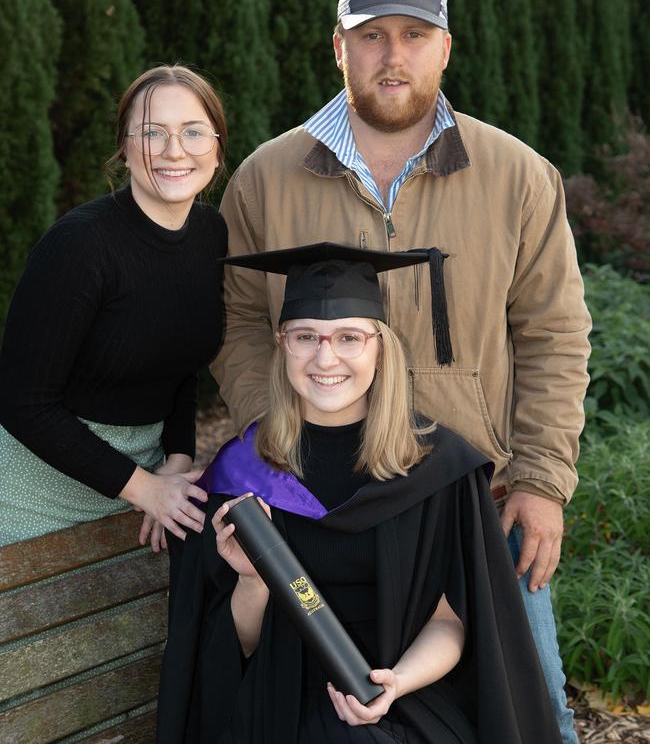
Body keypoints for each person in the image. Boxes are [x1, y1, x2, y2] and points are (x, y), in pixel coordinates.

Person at [212, 0, 592, 743]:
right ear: (338, 42)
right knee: (331, 719)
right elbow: (239, 325)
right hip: (322, 518)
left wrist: (543, 477)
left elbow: (555, 335)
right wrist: (276, 446)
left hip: (477, 510)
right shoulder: (265, 177)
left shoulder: (518, 177)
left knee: (535, 714)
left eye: (414, 34)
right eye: (373, 32)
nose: (394, 55)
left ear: (445, 46)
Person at [158, 243, 562, 743]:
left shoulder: (437, 468)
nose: (325, 358)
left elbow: (451, 623)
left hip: (409, 689)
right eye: (306, 337)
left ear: (380, 347)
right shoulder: (244, 473)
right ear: (282, 343)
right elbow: (231, 651)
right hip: (285, 694)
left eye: (349, 337)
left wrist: (396, 685)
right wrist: (253, 581)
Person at [0, 65, 227, 549]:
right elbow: (22, 403)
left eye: (192, 132)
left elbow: (180, 367)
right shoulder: (79, 247)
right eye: (152, 133)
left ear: (216, 147)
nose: (174, 150)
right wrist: (144, 488)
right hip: (34, 493)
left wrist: (178, 460)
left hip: (143, 486)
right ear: (124, 149)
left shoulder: (211, 235)